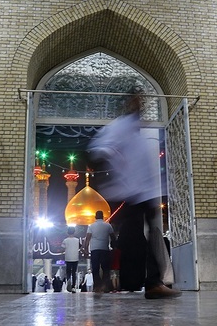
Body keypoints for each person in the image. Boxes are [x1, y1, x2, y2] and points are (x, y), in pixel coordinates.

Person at [89, 93, 181, 299]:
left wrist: (156, 193)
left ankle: (150, 282)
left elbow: (145, 167)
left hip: (144, 194)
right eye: (136, 102)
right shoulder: (119, 127)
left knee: (148, 238)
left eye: (142, 102)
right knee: (134, 239)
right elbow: (98, 150)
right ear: (128, 104)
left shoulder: (138, 135)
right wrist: (113, 166)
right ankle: (135, 281)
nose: (140, 106)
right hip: (128, 194)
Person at [83, 211, 116, 293]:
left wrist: (86, 250)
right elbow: (113, 237)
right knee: (105, 269)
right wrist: (114, 247)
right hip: (105, 249)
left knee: (95, 269)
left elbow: (87, 239)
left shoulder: (91, 226)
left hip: (94, 250)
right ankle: (105, 286)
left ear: (95, 217)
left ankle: (97, 287)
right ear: (103, 216)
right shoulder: (108, 226)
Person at [61, 226, 80, 293]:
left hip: (68, 258)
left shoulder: (65, 240)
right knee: (74, 272)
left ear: (67, 232)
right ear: (74, 232)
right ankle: (73, 287)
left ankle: (68, 280)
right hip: (75, 258)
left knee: (68, 272)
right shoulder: (77, 240)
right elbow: (80, 247)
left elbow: (62, 248)